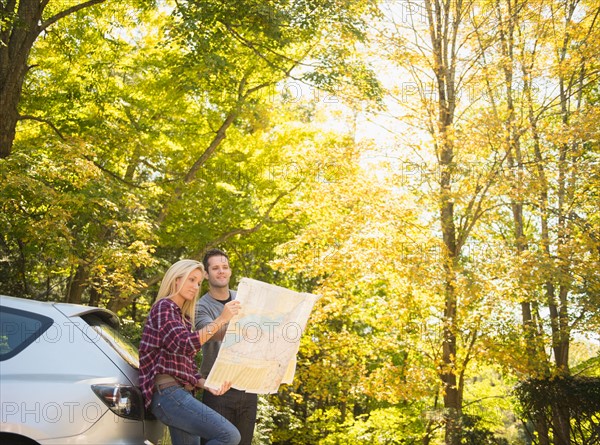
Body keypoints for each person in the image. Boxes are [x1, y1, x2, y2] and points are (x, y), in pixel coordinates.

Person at [139, 259, 242, 445]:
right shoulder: (164, 307)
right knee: (229, 436)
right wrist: (221, 319)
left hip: (180, 394)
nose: (195, 287)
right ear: (176, 280)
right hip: (168, 394)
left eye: (198, 283)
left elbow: (187, 366)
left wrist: (207, 384)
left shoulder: (183, 318)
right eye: (191, 280)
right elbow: (184, 344)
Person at [195, 249, 258, 445]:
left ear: (230, 271)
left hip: (247, 387)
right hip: (216, 388)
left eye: (225, 267)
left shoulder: (244, 299)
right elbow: (210, 334)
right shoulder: (201, 306)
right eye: (215, 268)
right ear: (206, 274)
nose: (221, 271)